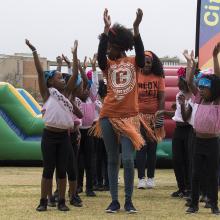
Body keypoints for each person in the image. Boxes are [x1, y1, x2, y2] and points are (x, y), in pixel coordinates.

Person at [93, 8, 145, 213]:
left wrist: (136, 28)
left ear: (120, 47)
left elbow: (141, 54)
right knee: (112, 159)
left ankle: (129, 201)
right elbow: (99, 56)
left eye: (110, 48)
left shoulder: (134, 63)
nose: (107, 51)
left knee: (128, 160)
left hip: (129, 118)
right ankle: (114, 201)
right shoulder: (107, 65)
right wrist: (105, 29)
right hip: (107, 116)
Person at [26, 39, 79, 212]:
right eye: (59, 77)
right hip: (49, 136)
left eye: (63, 78)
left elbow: (75, 75)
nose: (63, 79)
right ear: (51, 82)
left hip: (64, 136)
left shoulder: (67, 93)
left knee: (62, 170)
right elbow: (41, 73)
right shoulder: (47, 93)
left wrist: (74, 54)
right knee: (48, 170)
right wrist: (34, 51)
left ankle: (62, 201)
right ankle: (43, 201)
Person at [184, 45, 220, 215]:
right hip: (198, 140)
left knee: (212, 175)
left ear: (212, 90)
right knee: (195, 173)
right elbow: (190, 82)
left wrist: (215, 57)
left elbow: (218, 79)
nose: (202, 91)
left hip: (213, 141)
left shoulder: (216, 101)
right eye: (201, 88)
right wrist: (190, 64)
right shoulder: (199, 99)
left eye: (205, 88)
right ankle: (193, 204)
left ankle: (214, 204)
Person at [156, 66, 193, 198]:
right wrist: (165, 112)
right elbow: (177, 114)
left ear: (185, 80)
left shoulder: (193, 96)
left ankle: (190, 188)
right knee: (177, 160)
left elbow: (186, 117)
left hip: (189, 130)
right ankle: (181, 188)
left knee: (188, 160)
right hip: (178, 130)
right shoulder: (178, 94)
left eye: (179, 80)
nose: (177, 83)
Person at [136, 50, 165, 189]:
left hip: (153, 117)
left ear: (152, 63)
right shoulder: (136, 75)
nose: (146, 64)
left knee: (152, 149)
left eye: (149, 62)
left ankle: (151, 178)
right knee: (141, 147)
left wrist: (158, 115)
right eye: (144, 61)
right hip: (139, 117)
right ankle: (141, 178)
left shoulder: (158, 77)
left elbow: (161, 97)